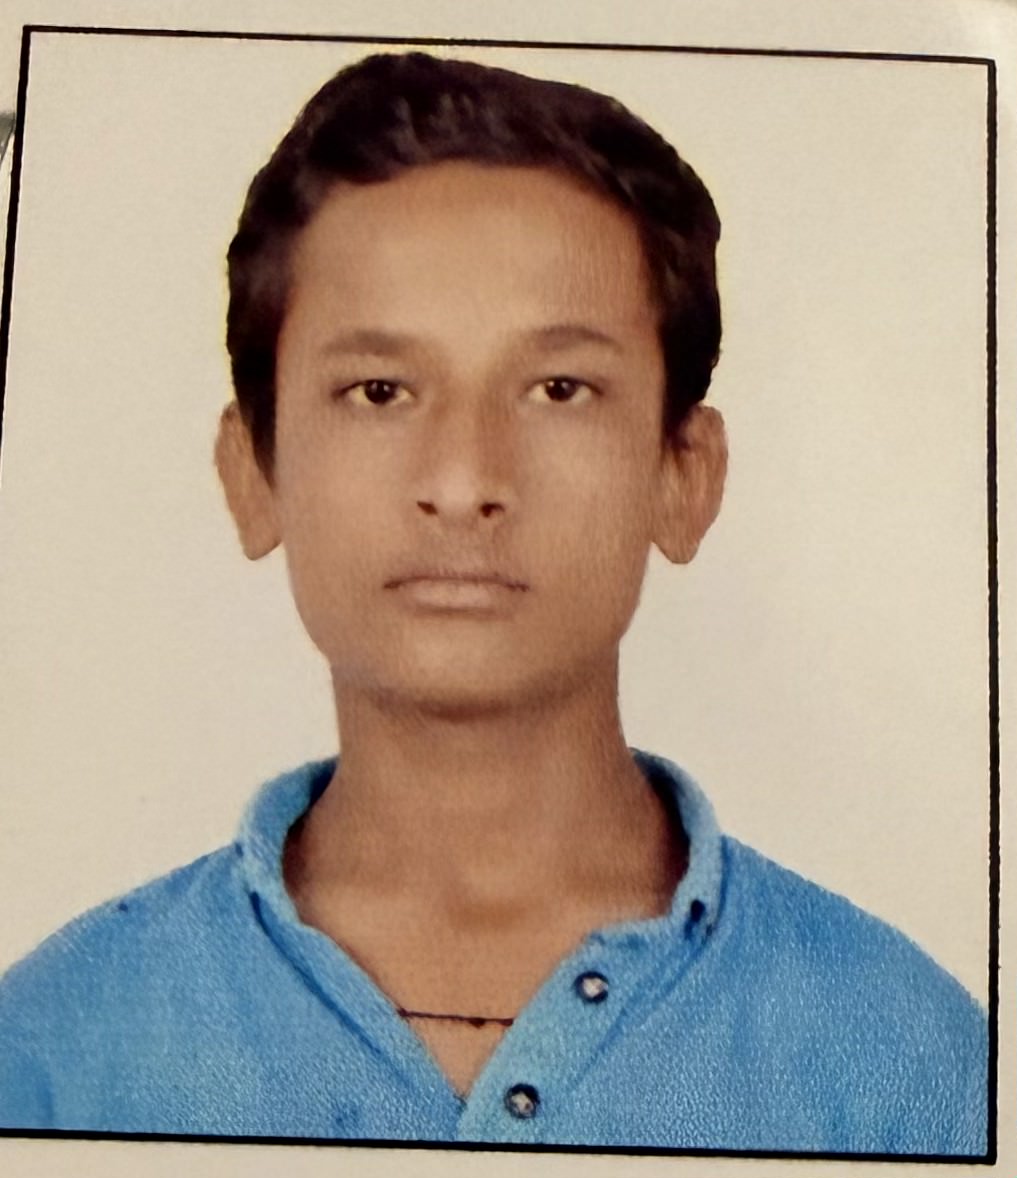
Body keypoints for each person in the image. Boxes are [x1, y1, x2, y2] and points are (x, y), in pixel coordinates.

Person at [0, 51, 987, 1153]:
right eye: (379, 390)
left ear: (684, 475)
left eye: (559, 389)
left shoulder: (917, 1067)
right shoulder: (51, 1051)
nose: (464, 480)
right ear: (253, 472)